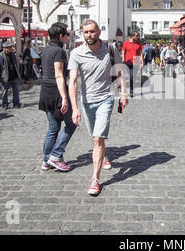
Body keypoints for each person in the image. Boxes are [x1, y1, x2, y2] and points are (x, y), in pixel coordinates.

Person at [68, 20, 128, 196]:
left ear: (98, 32)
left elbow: (120, 72)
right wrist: (74, 108)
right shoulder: (76, 53)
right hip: (87, 101)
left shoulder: (110, 49)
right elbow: (72, 81)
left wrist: (123, 94)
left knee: (97, 138)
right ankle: (104, 156)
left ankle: (95, 178)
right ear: (82, 33)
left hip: (106, 98)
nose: (89, 35)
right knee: (95, 138)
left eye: (92, 32)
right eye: (86, 32)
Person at [38, 23, 77, 172]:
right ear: (61, 36)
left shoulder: (46, 49)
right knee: (72, 123)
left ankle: (46, 160)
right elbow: (59, 75)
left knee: (53, 128)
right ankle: (55, 155)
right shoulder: (58, 51)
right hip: (56, 92)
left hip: (45, 91)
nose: (68, 37)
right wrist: (65, 98)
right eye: (67, 34)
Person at [0, 41, 22, 110]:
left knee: (16, 91)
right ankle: (5, 105)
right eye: (9, 48)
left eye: (11, 47)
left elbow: (15, 64)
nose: (11, 49)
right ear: (5, 48)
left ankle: (16, 103)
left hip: (14, 76)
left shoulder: (12, 54)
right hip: (5, 77)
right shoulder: (0, 56)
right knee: (4, 92)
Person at [122, 31, 143, 97]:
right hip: (128, 62)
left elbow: (140, 53)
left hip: (136, 61)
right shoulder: (126, 43)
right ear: (132, 36)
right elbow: (123, 52)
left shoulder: (138, 43)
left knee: (133, 77)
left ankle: (131, 90)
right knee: (130, 77)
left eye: (137, 36)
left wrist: (142, 62)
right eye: (136, 36)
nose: (137, 37)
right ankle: (129, 91)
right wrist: (123, 59)